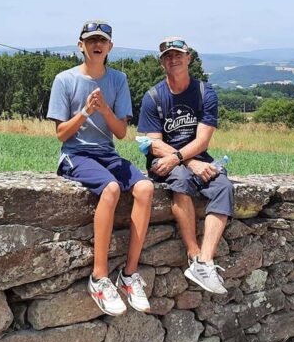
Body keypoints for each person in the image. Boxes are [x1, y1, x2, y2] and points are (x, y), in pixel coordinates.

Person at [47, 20, 154, 315]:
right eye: (91, 40)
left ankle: (130, 274)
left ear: (110, 47)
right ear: (81, 45)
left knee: (145, 187)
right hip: (76, 154)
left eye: (102, 41)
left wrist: (104, 108)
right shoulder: (64, 80)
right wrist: (85, 112)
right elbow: (61, 134)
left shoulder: (118, 80)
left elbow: (120, 133)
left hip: (106, 153)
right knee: (110, 188)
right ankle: (99, 277)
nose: (97, 45)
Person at [137, 37, 234, 294]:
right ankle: (193, 253)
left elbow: (203, 140)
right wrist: (186, 162)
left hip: (192, 156)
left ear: (188, 58)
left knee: (223, 186)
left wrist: (187, 160)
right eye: (168, 56)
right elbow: (153, 145)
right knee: (180, 179)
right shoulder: (153, 97)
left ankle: (205, 260)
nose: (173, 59)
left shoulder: (204, 93)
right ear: (162, 63)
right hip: (166, 162)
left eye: (178, 54)